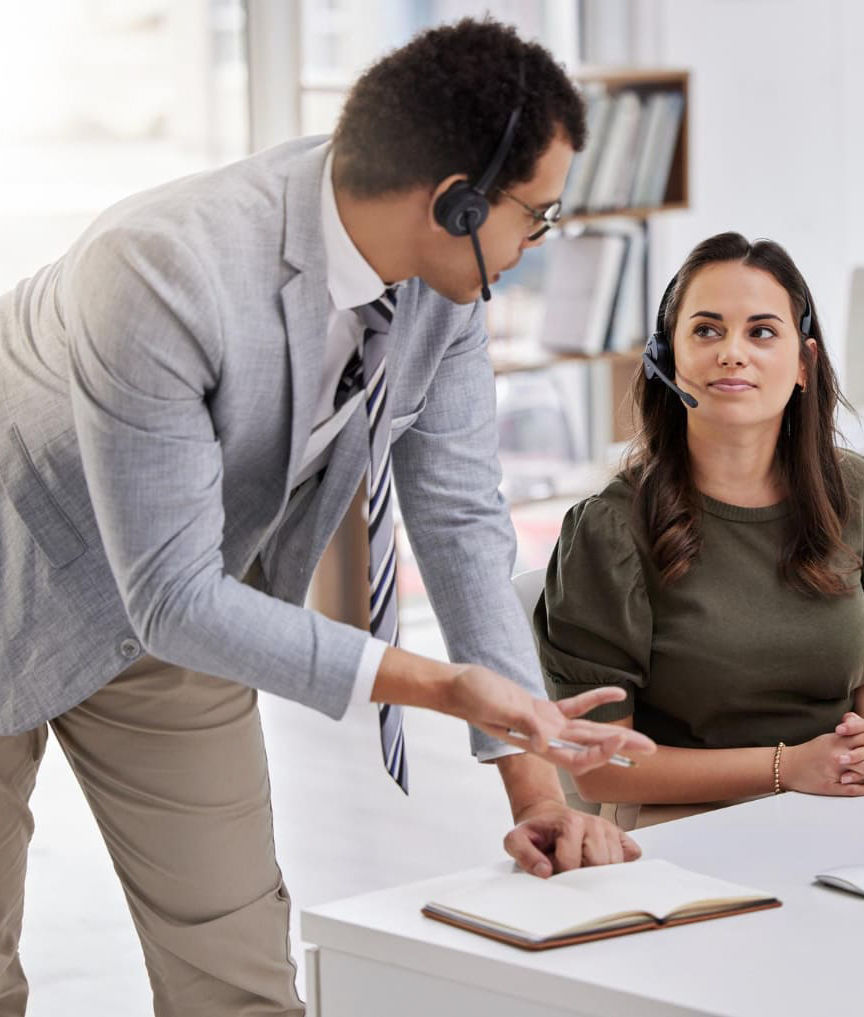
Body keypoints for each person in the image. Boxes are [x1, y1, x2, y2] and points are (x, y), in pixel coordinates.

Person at [0, 18, 655, 1017]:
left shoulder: (446, 285)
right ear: (458, 201)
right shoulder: (162, 267)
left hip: (182, 600)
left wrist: (537, 793)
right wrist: (440, 685)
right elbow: (172, 592)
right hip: (26, 556)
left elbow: (461, 519)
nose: (536, 246)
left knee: (237, 972)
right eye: (539, 215)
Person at [536, 231, 864, 829]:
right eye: (706, 330)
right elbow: (598, 768)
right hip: (682, 828)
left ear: (803, 363)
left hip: (839, 806)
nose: (732, 353)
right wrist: (786, 768)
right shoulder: (609, 531)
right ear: (666, 360)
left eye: (762, 332)